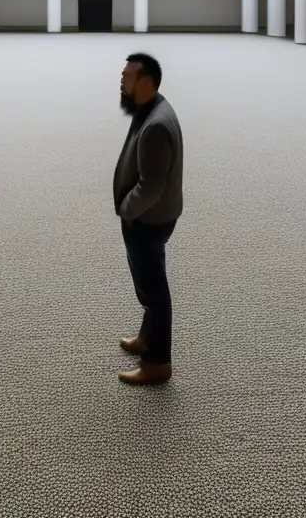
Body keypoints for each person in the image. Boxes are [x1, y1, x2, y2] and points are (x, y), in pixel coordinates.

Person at [112, 53, 184, 385]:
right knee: (148, 286)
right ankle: (146, 339)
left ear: (146, 81)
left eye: (127, 76)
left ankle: (158, 364)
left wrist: (127, 208)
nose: (121, 81)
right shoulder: (151, 108)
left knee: (154, 292)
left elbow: (151, 187)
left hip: (148, 219)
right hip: (152, 217)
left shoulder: (155, 125)